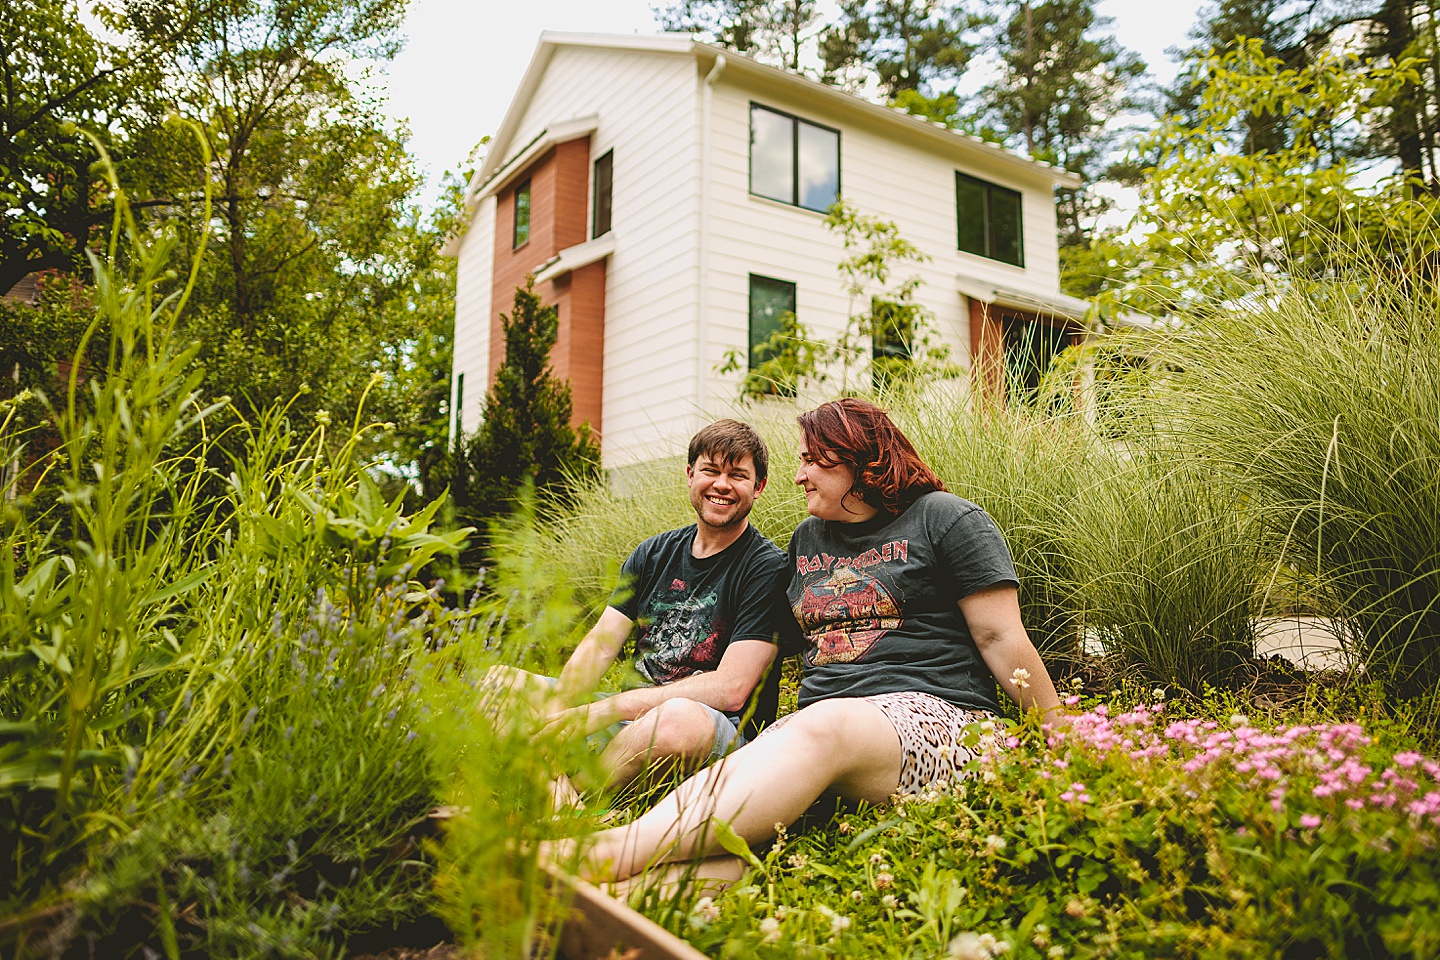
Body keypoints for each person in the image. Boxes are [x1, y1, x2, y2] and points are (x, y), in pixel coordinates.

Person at [560, 398, 1061, 884]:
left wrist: (1062, 739)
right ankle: (610, 896)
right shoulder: (807, 539)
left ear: (858, 460)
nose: (799, 476)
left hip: (938, 720)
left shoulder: (946, 519)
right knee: (749, 840)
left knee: (826, 722)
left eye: (810, 460)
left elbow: (999, 636)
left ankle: (607, 851)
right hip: (823, 735)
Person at [489, 419, 794, 799]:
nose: (721, 484)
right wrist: (561, 713)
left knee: (677, 719)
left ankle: (574, 800)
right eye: (710, 471)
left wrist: (607, 709)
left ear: (758, 487)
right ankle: (556, 794)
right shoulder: (652, 553)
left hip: (711, 728)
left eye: (738, 475)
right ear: (689, 475)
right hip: (630, 721)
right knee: (501, 684)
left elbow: (732, 688)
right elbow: (601, 646)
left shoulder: (767, 567)